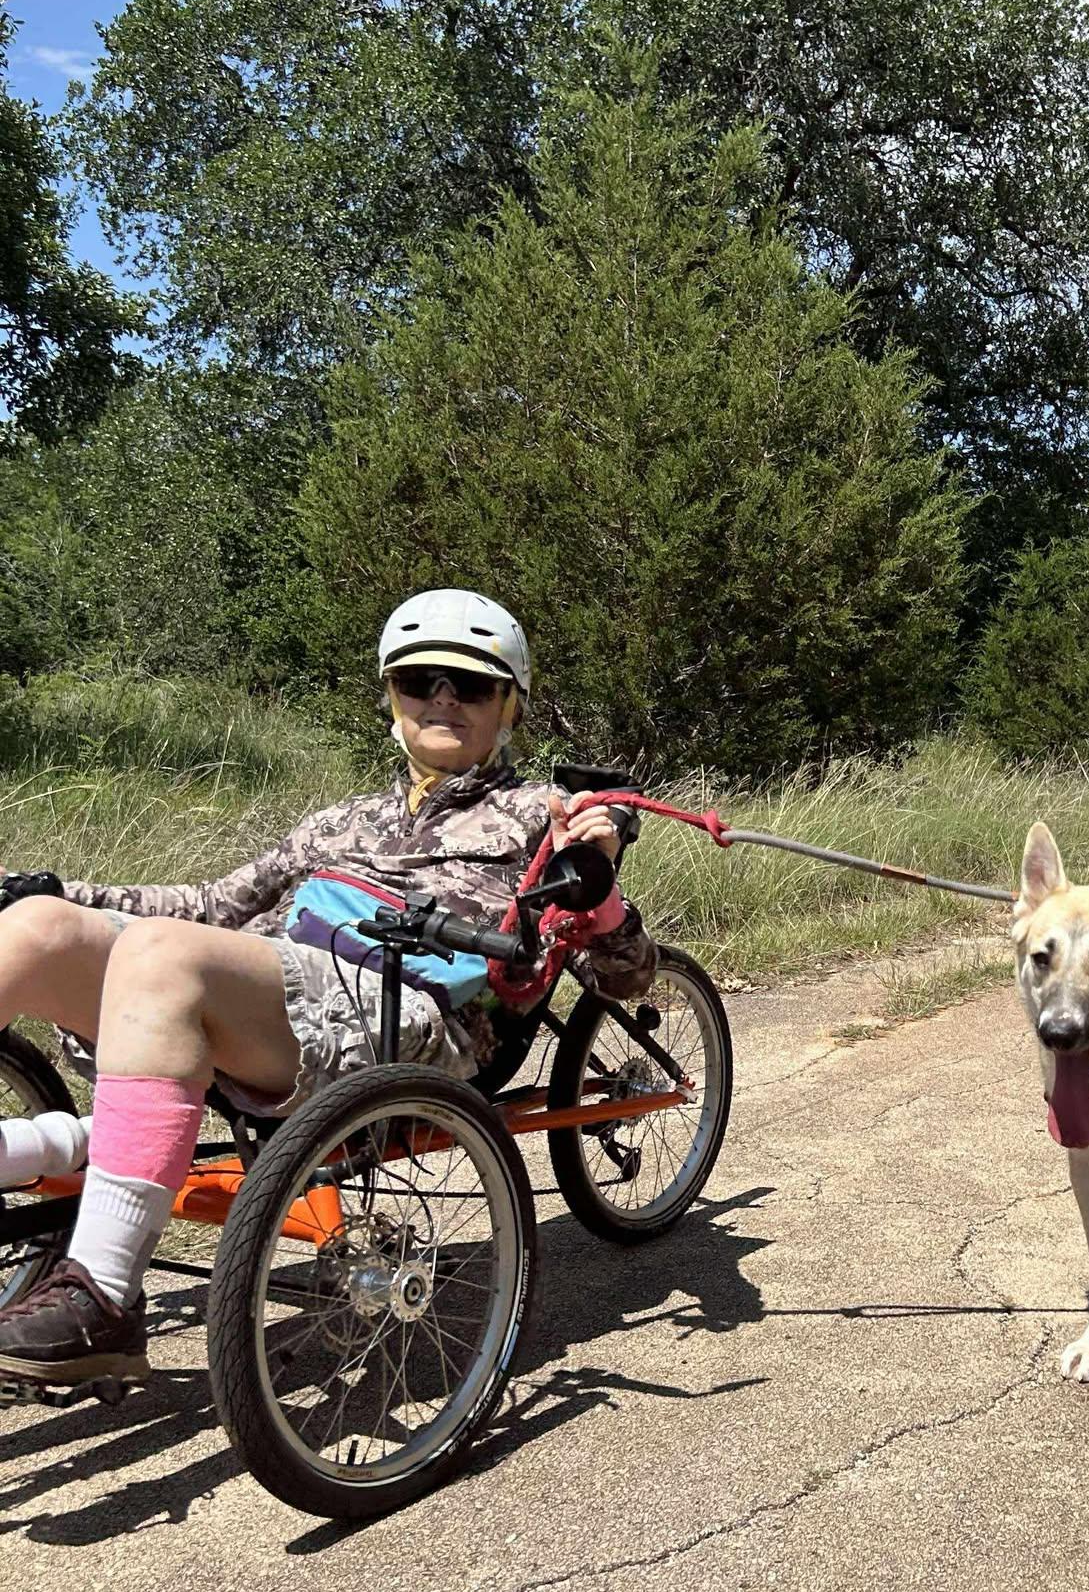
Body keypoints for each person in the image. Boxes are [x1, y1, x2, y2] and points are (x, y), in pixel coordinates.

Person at [0, 588, 655, 1386]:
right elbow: (212, 905)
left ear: (509, 703)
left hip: (416, 1021)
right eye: (420, 681)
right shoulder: (335, 823)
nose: (442, 698)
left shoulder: (545, 818)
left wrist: (600, 881)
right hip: (273, 998)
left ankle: (102, 1291)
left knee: (163, 956)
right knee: (38, 927)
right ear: (392, 696)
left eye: (472, 685)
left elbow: (622, 977)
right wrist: (62, 889)